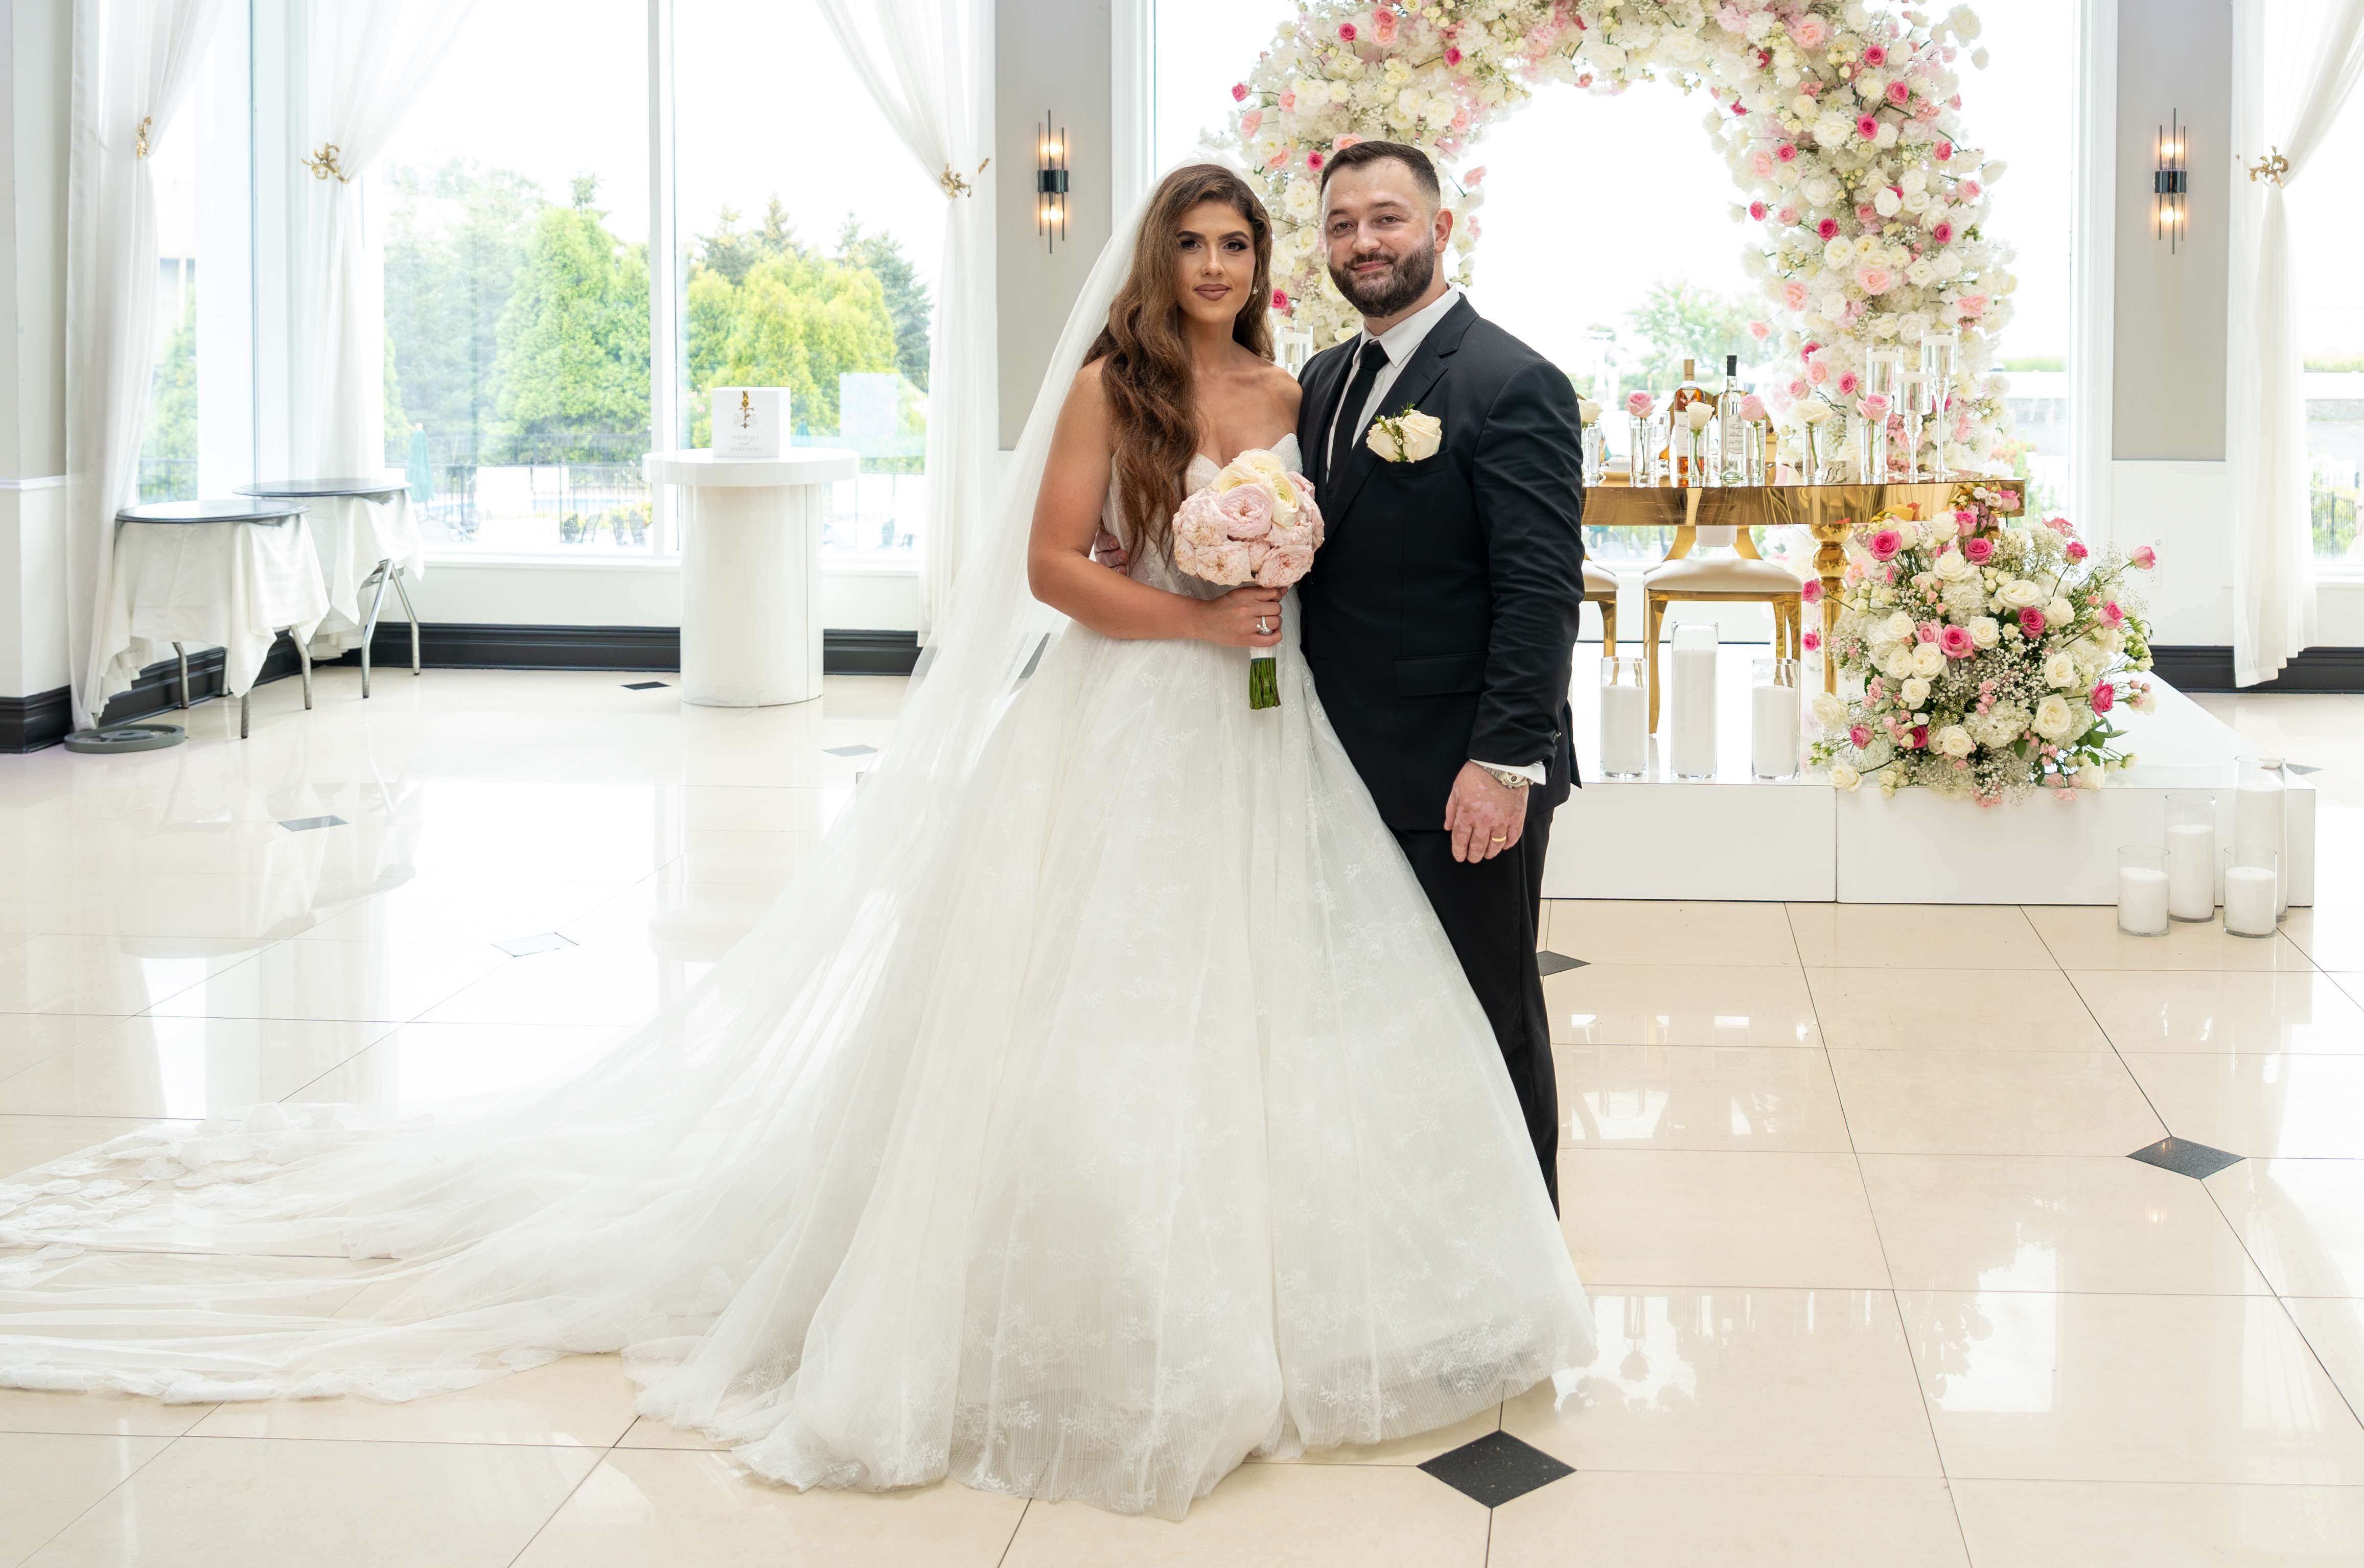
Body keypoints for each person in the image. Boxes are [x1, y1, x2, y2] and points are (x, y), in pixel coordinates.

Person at [0, 162, 1589, 1522]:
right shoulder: (1124, 387)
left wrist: (1296, 624)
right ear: (1155, 261)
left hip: (1272, 732)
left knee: (1269, 1004)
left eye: (1243, 244)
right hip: (1130, 717)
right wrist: (1193, 618)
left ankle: (1308, 1280)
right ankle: (1091, 1286)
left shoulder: (1307, 388)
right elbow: (1052, 568)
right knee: (1097, 998)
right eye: (1198, 244)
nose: (1223, 267)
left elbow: (1392, 562)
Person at [1293, 140, 1584, 1200]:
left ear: (1441, 229)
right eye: (1341, 224)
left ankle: (1520, 1277)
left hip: (1461, 774)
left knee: (1485, 1021)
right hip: (1338, 761)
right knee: (1376, 1022)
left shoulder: (1513, 381)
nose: (1364, 242)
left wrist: (1505, 761)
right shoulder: (1325, 380)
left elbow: (1542, 589)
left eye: (1387, 218)